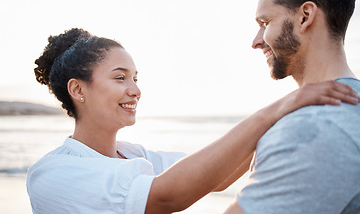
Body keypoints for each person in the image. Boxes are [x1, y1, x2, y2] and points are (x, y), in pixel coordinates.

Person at [26, 28, 359, 214]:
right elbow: (167, 196)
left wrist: (287, 116)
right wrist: (275, 110)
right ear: (78, 90)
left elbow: (217, 176)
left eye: (136, 78)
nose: (135, 90)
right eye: (120, 78)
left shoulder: (135, 156)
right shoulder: (52, 173)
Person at [224, 0, 360, 213]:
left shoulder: (314, 130)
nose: (256, 42)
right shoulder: (350, 107)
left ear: (305, 16)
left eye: (265, 23)